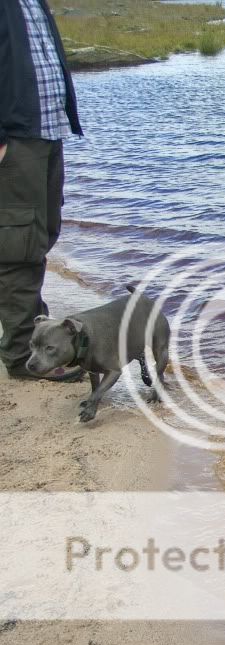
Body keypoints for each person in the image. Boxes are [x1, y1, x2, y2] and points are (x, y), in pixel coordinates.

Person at [0, 0, 83, 381]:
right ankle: (22, 358)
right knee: (19, 247)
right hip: (16, 140)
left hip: (47, 132)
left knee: (41, 235)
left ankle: (37, 341)